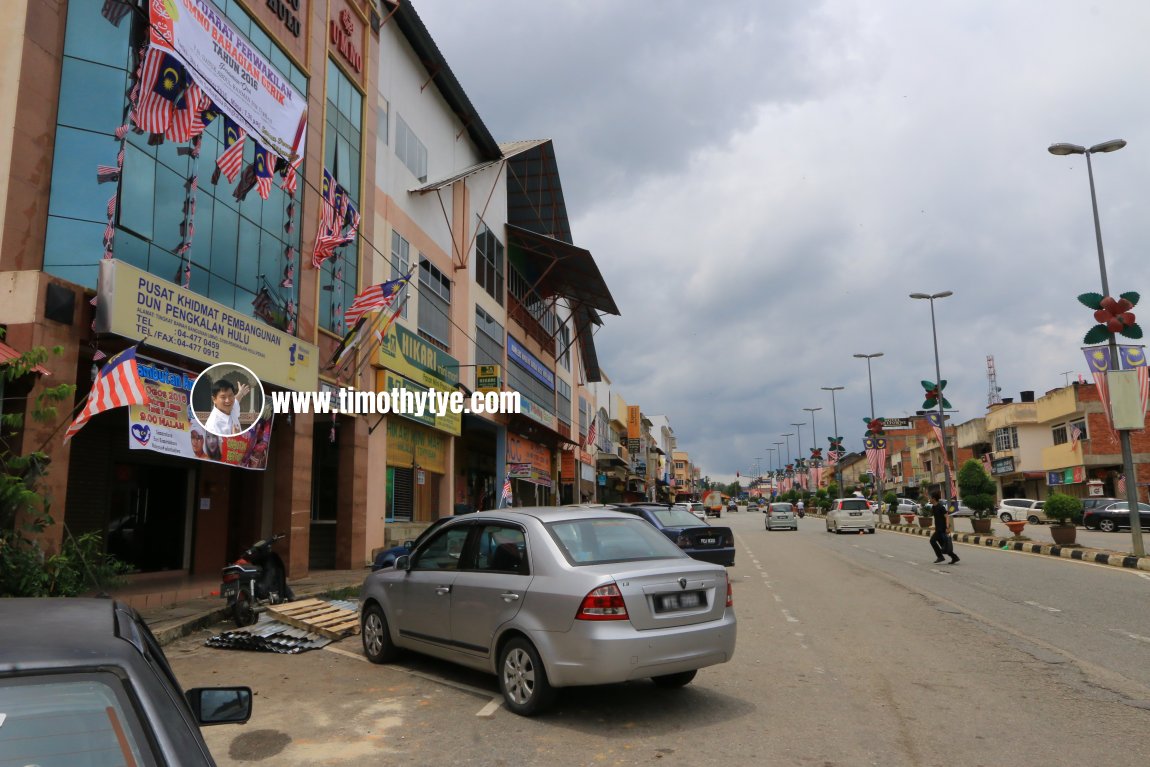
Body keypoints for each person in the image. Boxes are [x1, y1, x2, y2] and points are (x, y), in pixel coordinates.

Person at [929, 489, 959, 564]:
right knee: (944, 546)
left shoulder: (940, 507)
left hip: (942, 529)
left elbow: (947, 517)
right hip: (938, 528)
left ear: (934, 498)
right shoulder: (933, 507)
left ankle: (940, 557)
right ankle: (955, 557)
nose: (929, 499)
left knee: (932, 541)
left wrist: (947, 527)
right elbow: (937, 518)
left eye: (930, 498)